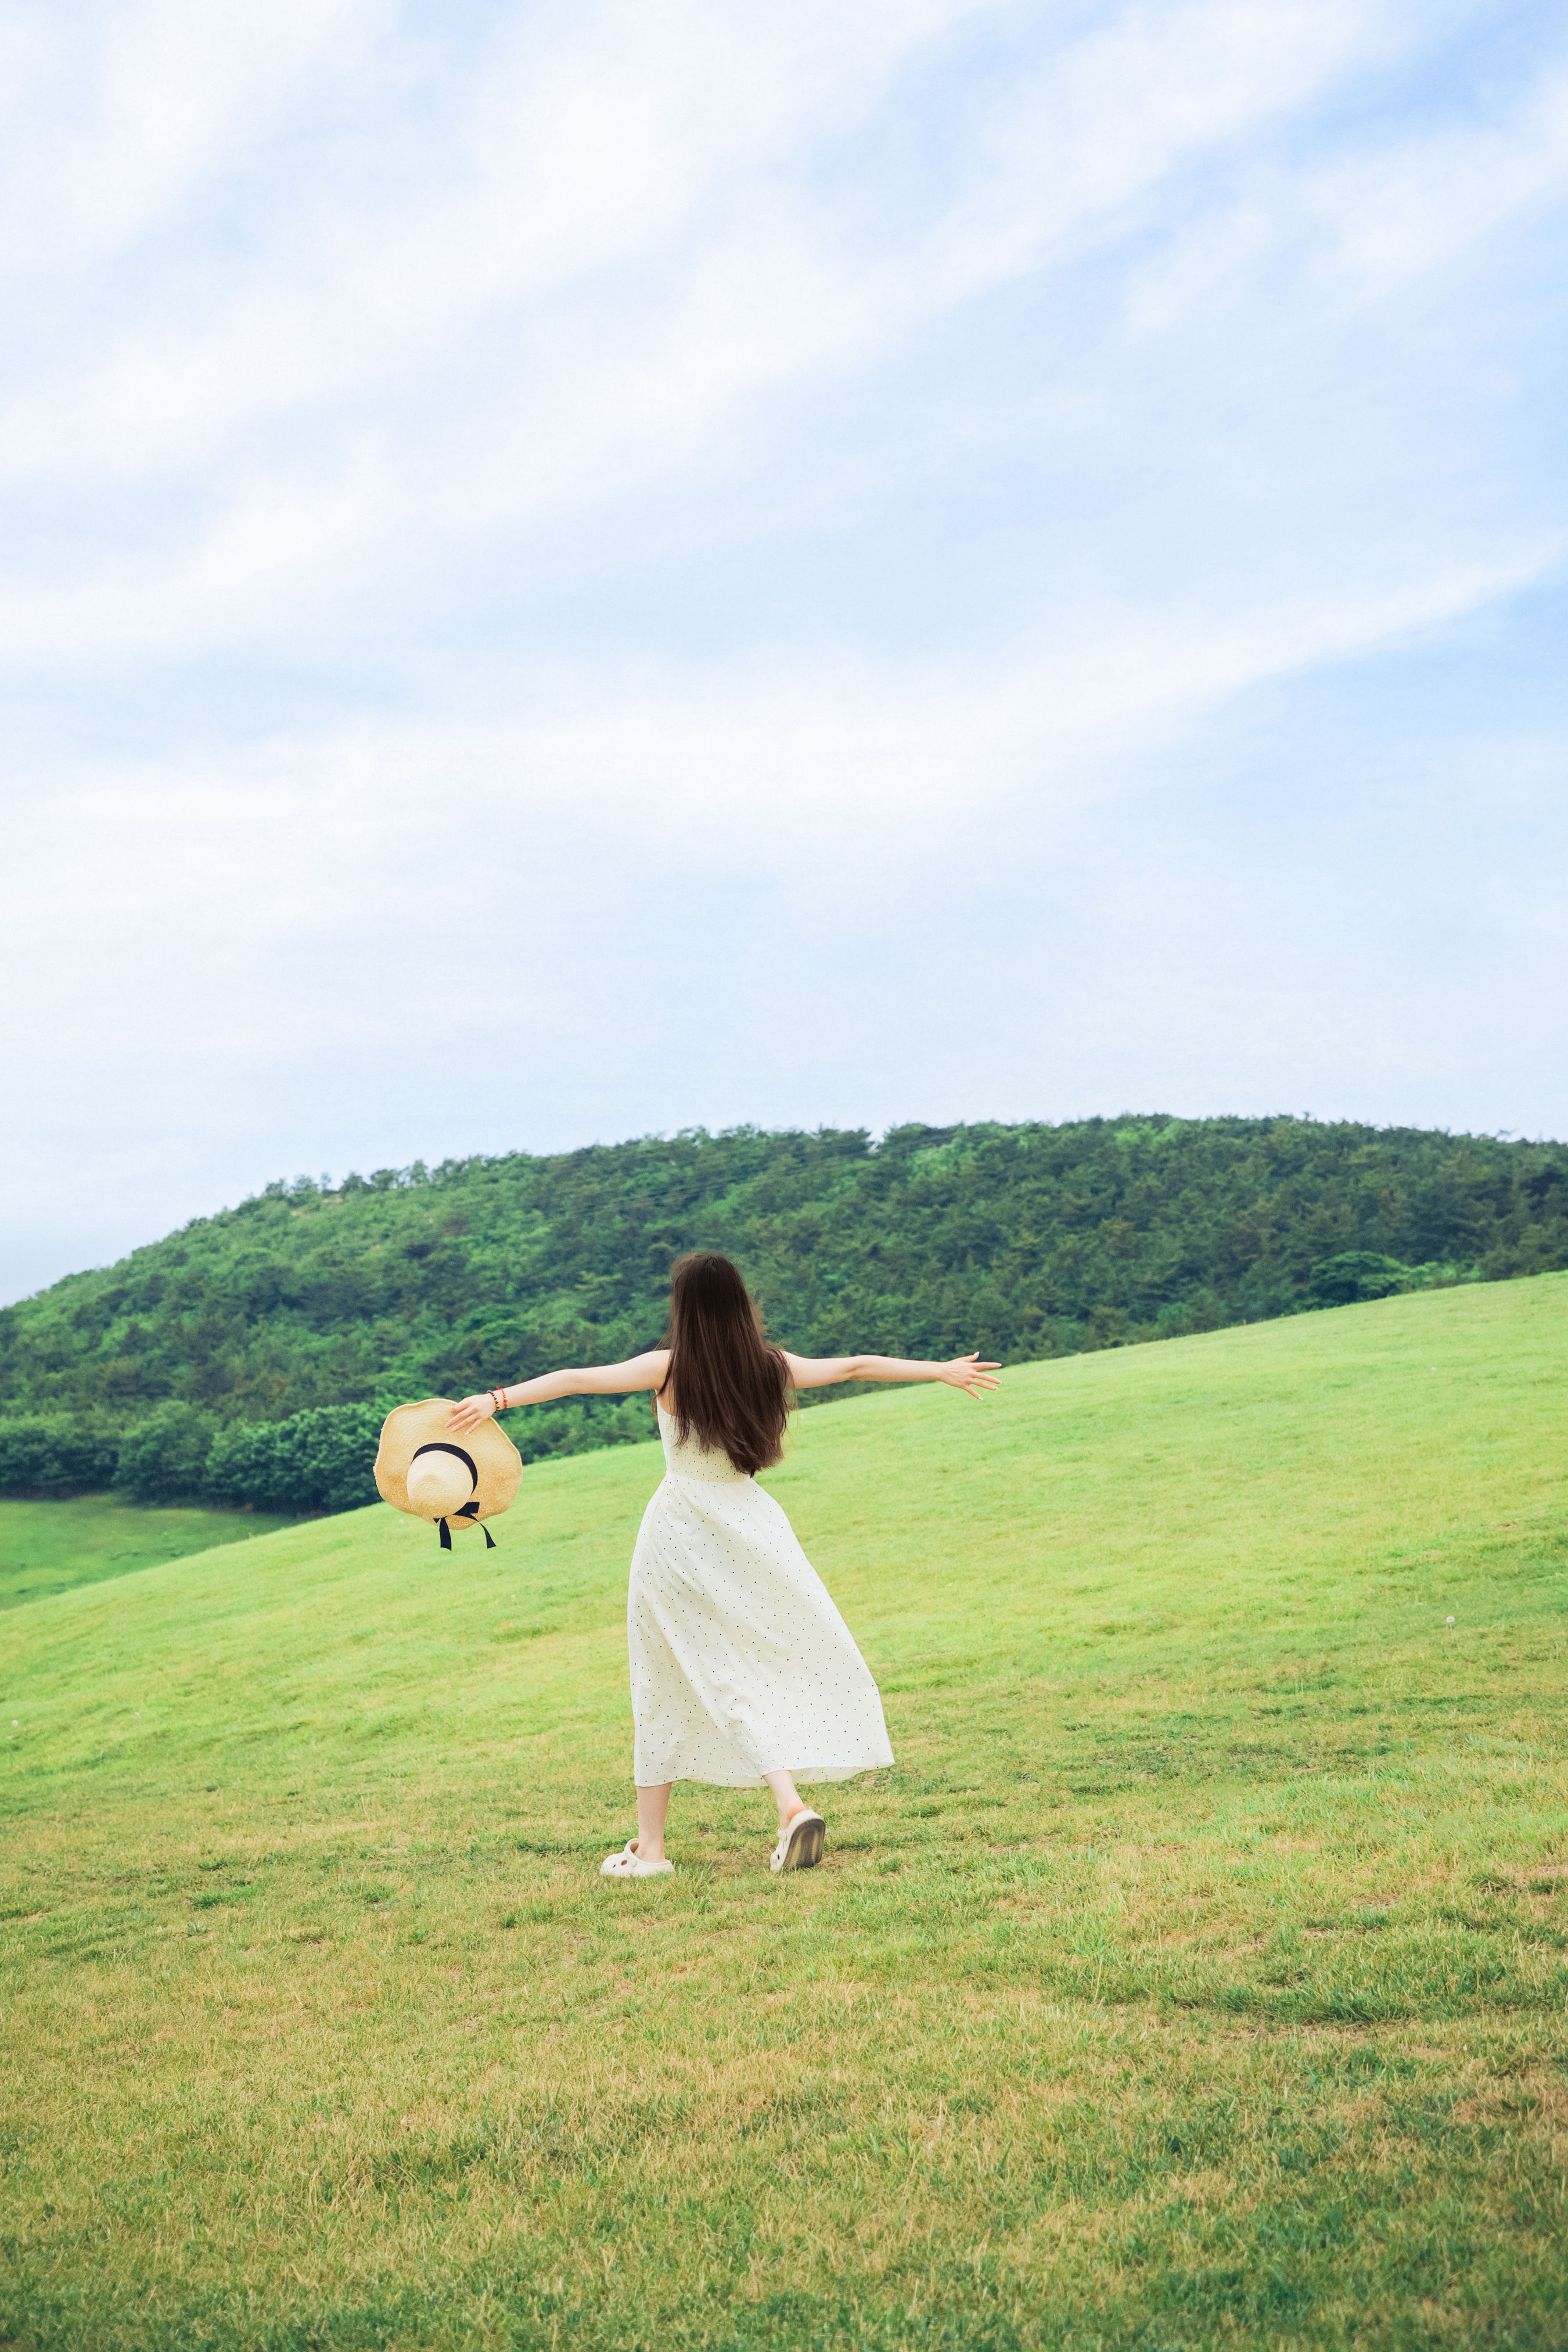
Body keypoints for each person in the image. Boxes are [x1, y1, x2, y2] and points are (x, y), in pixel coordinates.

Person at [448, 1252, 999, 1877]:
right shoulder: (770, 1367)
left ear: (683, 1310)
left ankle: (673, 1843)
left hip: (680, 1535)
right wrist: (941, 1371)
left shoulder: (668, 1368)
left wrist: (496, 1400)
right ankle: (774, 1810)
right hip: (752, 1527)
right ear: (743, 1306)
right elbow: (855, 1365)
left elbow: (575, 1378)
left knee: (664, 1679)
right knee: (746, 1666)